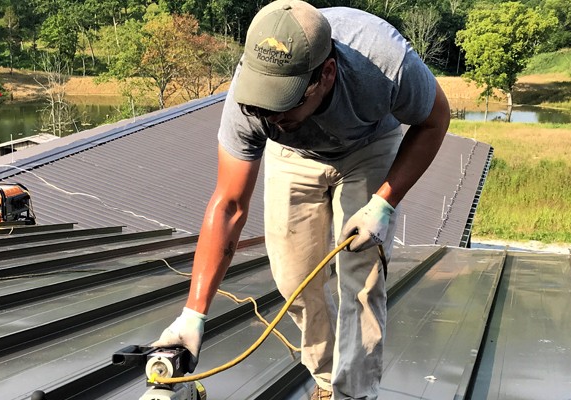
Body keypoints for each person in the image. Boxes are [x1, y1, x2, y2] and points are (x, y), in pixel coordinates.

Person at [154, 0, 450, 398]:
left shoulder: (386, 62)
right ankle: (327, 381)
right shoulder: (252, 101)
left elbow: (435, 120)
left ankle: (353, 393)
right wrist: (194, 315)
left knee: (362, 279)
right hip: (293, 155)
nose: (269, 117)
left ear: (326, 74)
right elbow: (229, 205)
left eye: (284, 102)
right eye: (264, 106)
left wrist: (384, 202)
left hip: (369, 145)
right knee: (294, 278)